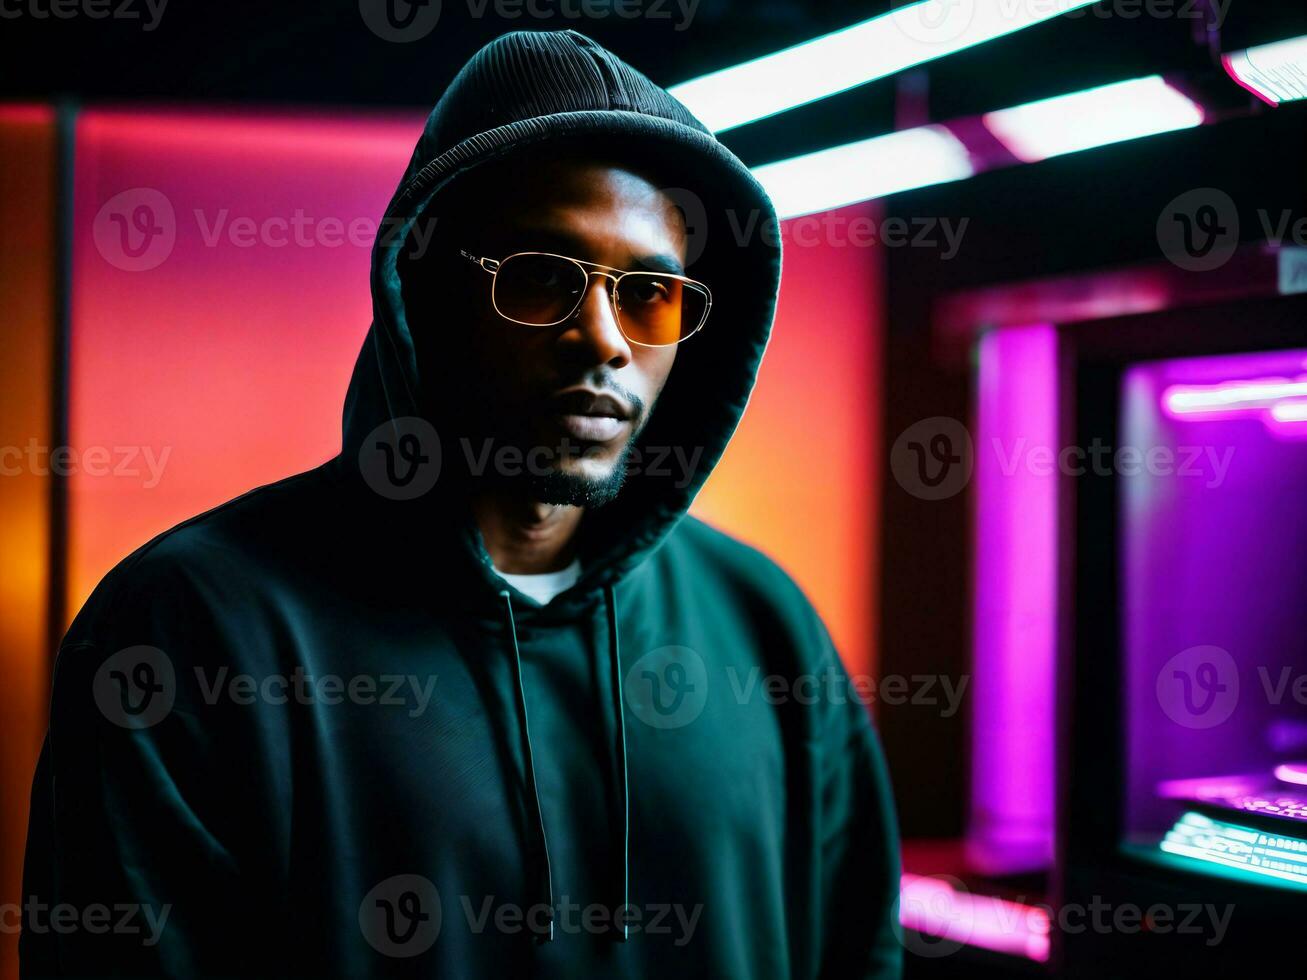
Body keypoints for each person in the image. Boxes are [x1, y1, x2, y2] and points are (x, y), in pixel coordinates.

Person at [22, 29, 901, 978]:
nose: (601, 339)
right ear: (421, 291)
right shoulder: (192, 632)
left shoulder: (764, 629)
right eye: (539, 279)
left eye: (649, 294)